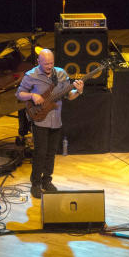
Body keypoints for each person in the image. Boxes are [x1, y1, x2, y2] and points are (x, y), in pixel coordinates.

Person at [15, 48, 83, 199]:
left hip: (56, 120)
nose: (49, 66)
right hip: (40, 119)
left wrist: (78, 91)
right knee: (40, 153)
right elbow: (19, 94)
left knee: (51, 153)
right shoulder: (31, 75)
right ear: (38, 61)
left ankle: (47, 181)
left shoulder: (61, 74)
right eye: (46, 64)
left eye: (51, 63)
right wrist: (32, 95)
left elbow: (69, 96)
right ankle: (36, 183)